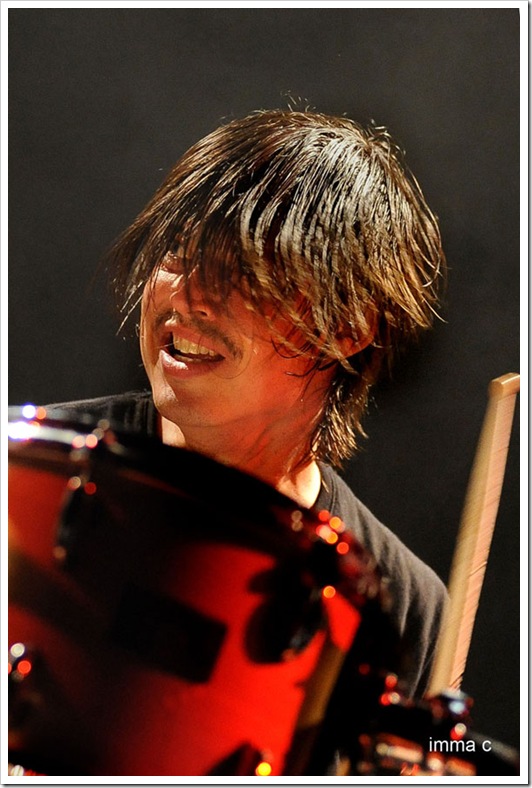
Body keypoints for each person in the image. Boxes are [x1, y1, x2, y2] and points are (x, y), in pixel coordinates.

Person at [38, 109, 448, 773]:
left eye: (242, 274)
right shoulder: (29, 474)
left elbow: (445, 752)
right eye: (179, 253)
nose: (188, 297)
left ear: (349, 326)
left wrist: (457, 760)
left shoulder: (402, 606)